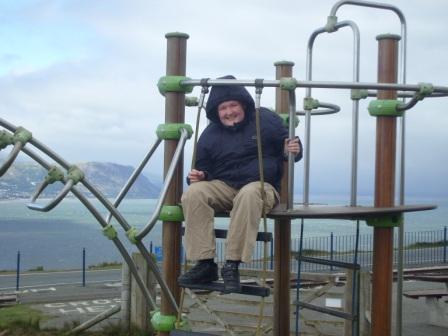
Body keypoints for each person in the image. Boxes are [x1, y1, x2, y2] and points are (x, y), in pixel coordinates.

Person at [179, 75, 302, 292]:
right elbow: (203, 167)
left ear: (243, 104)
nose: (229, 112)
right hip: (225, 185)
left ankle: (232, 264)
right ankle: (205, 263)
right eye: (223, 108)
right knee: (194, 193)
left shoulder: (265, 120)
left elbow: (287, 146)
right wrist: (199, 176)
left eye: (233, 105)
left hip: (261, 185)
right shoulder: (210, 134)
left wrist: (293, 149)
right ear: (217, 112)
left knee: (249, 193)